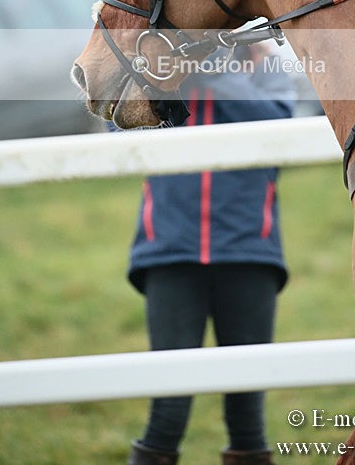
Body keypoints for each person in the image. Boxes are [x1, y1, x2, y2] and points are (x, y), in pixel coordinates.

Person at [122, 44, 295, 465]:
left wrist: (217, 71)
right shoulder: (155, 65)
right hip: (169, 253)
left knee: (247, 412)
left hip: (249, 251)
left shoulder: (264, 61)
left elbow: (280, 127)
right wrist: (172, 75)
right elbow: (124, 131)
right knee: (168, 406)